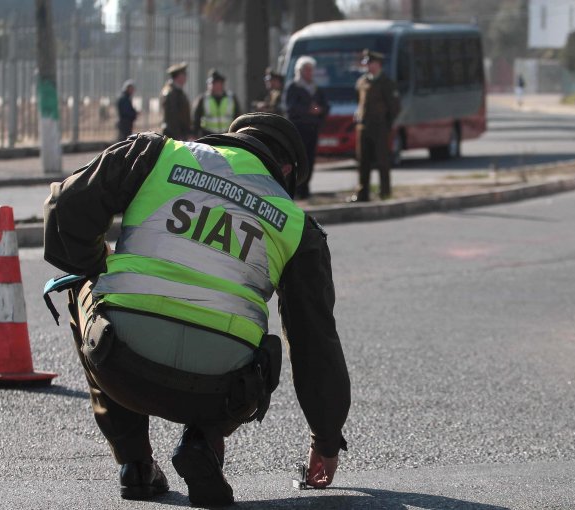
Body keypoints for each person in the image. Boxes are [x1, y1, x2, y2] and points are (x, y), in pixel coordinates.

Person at [42, 113, 351, 506]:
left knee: (81, 283)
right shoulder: (297, 226)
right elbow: (315, 343)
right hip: (220, 393)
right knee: (256, 341)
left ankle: (135, 465)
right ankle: (202, 442)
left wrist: (95, 264)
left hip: (119, 364)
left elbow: (64, 208)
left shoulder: (158, 154)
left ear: (229, 140)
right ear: (286, 169)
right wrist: (326, 440)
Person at [352, 49, 400, 202]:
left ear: (378, 64)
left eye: (371, 63)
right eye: (367, 63)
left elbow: (394, 107)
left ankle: (384, 192)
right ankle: (362, 193)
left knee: (382, 161)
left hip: (379, 128)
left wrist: (386, 124)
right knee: (363, 162)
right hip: (363, 127)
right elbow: (359, 102)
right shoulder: (362, 82)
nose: (368, 66)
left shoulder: (386, 82)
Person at [285, 55, 329, 199]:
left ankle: (305, 189)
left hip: (312, 129)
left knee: (310, 160)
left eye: (312, 70)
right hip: (299, 129)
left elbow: (325, 106)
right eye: (307, 70)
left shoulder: (316, 88)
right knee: (299, 160)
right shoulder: (294, 87)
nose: (310, 73)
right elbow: (291, 107)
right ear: (300, 71)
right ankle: (296, 189)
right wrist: (308, 110)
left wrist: (320, 110)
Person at [193, 69, 242, 137]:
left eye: (215, 83)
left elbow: (238, 116)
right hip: (208, 134)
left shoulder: (231, 98)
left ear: (221, 84)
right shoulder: (202, 99)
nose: (212, 86)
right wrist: (195, 134)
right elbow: (196, 119)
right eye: (211, 83)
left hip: (227, 134)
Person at [160, 61, 191, 140]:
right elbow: (172, 116)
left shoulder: (178, 91)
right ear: (178, 76)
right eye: (184, 75)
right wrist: (178, 136)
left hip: (180, 134)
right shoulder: (170, 92)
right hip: (173, 136)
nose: (186, 77)